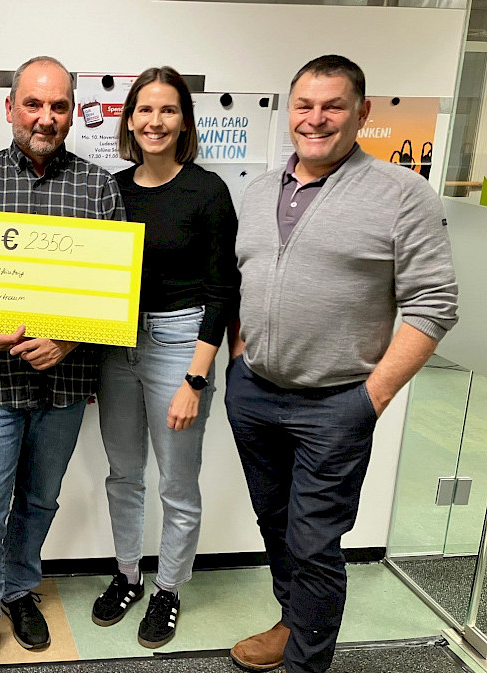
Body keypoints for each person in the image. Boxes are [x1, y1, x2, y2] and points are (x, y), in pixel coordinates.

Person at [225, 54, 458, 673]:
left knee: (313, 542)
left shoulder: (401, 193)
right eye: (304, 105)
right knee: (276, 525)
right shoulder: (259, 191)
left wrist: (370, 398)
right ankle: (290, 623)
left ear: (362, 112)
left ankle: (307, 663)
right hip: (255, 395)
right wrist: (239, 360)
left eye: (333, 106)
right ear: (290, 110)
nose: (316, 118)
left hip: (337, 404)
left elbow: (435, 303)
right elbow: (242, 281)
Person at [0, 56, 125, 673]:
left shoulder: (99, 189)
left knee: (40, 500)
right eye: (33, 104)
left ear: (72, 114)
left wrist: (67, 342)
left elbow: (116, 294)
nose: (45, 118)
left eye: (58, 106)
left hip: (66, 382)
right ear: (10, 108)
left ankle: (19, 590)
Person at [91, 67, 238, 647]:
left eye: (168, 110)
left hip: (180, 345)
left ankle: (169, 589)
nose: (155, 121)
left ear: (184, 121)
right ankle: (128, 575)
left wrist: (195, 380)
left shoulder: (208, 192)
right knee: (123, 474)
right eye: (145, 110)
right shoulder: (112, 190)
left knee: (177, 482)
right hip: (116, 345)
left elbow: (222, 291)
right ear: (129, 120)